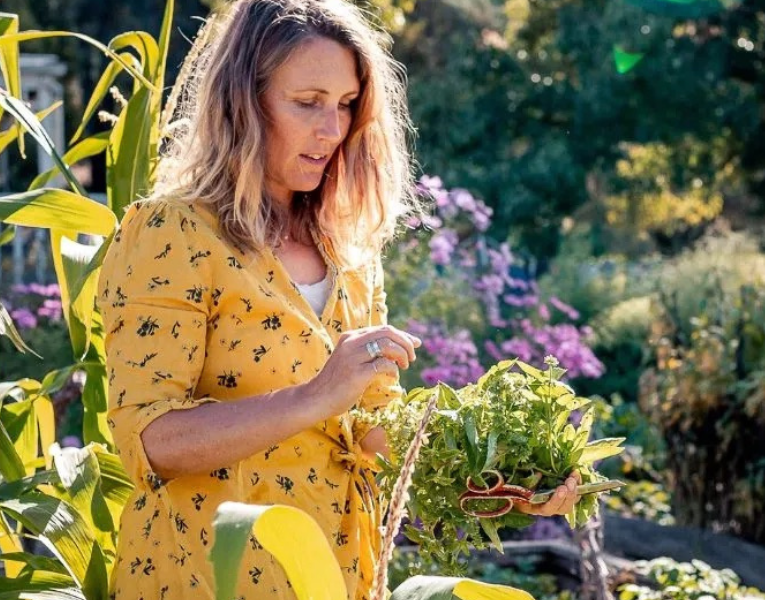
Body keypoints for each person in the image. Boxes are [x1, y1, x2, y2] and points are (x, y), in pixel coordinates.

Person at [96, 1, 579, 598]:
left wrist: (501, 476)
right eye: (308, 103)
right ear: (244, 100)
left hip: (337, 573)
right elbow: (151, 440)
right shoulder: (172, 231)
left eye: (347, 105)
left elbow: (373, 427)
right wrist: (314, 396)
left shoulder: (347, 247)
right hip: (207, 576)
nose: (332, 129)